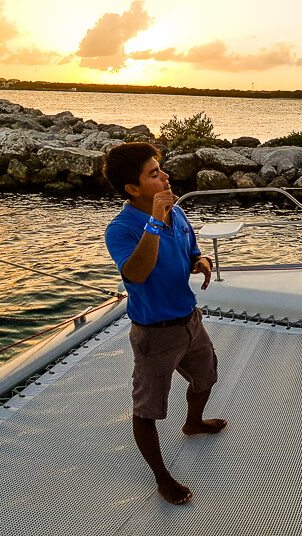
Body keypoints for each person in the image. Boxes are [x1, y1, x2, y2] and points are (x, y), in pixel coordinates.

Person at [103, 142, 226, 505]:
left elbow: (189, 249)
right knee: (147, 410)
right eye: (154, 173)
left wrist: (199, 259)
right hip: (155, 334)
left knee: (206, 377)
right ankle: (161, 476)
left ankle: (193, 422)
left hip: (190, 322)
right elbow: (137, 275)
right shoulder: (121, 229)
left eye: (161, 168)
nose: (165, 176)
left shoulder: (176, 211)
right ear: (133, 189)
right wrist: (155, 221)